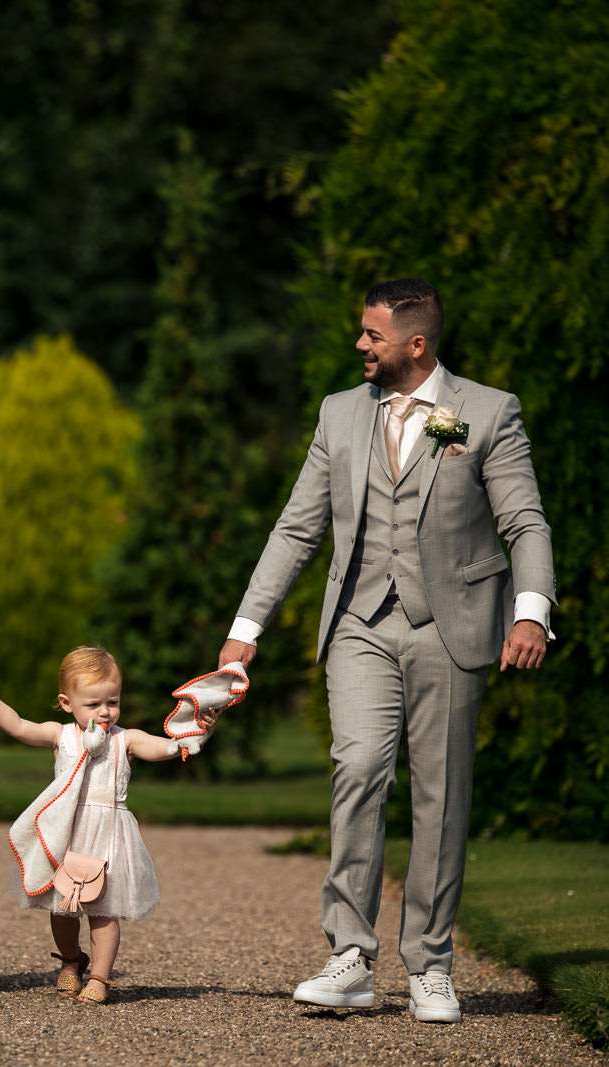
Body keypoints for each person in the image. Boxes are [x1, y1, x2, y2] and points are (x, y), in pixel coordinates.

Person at [218, 279, 555, 1024]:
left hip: (453, 623)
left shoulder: (488, 412)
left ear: (416, 344)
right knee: (360, 765)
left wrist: (530, 613)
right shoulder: (339, 413)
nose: (360, 345)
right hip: (360, 623)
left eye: (372, 335)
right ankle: (350, 956)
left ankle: (431, 963)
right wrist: (247, 628)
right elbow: (297, 528)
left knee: (440, 794)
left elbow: (525, 523)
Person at [0, 646, 185, 1005]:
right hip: (67, 835)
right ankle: (71, 962)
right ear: (67, 702)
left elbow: (161, 748)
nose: (105, 711)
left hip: (108, 836)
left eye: (112, 701)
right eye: (93, 704)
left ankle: (100, 979)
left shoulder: (125, 739)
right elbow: (19, 726)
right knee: (63, 909)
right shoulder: (61, 736)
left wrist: (190, 740)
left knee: (104, 910)